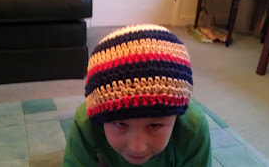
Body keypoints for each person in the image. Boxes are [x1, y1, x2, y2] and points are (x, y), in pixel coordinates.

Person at [62, 24, 212, 167]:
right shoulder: (86, 122)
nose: (137, 147)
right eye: (120, 124)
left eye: (154, 125)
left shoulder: (194, 128)